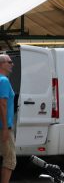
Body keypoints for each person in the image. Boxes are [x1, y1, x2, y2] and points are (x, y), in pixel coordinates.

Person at [0, 53, 15, 183]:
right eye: (9, 62)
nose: (12, 64)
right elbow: (2, 104)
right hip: (3, 126)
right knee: (10, 160)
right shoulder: (3, 80)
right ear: (2, 64)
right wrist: (5, 127)